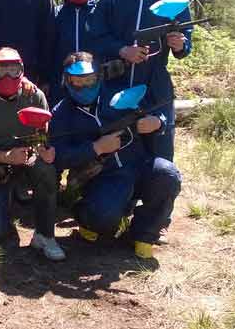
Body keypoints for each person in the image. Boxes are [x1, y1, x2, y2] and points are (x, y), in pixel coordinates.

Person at [49, 52, 182, 259]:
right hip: (103, 176)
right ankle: (87, 216)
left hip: (138, 164)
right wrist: (96, 148)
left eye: (89, 79)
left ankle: (143, 233)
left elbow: (157, 113)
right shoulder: (61, 113)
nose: (84, 86)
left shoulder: (120, 96)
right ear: (66, 81)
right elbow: (59, 156)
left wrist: (158, 123)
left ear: (99, 77)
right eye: (76, 81)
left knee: (168, 174)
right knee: (102, 215)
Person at [86, 0, 193, 161]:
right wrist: (122, 50)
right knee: (115, 150)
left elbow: (185, 43)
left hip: (155, 83)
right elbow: (94, 36)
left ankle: (158, 195)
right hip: (117, 80)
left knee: (160, 151)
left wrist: (180, 44)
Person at [0, 47, 64, 261]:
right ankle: (4, 207)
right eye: (2, 70)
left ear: (22, 71)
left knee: (46, 169)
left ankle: (45, 234)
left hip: (28, 159)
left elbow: (43, 137)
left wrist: (45, 152)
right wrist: (6, 157)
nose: (8, 76)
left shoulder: (34, 96)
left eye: (14, 69)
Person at [51, 0, 97, 103]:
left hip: (93, 82)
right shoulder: (56, 14)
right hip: (62, 83)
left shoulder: (101, 12)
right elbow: (48, 48)